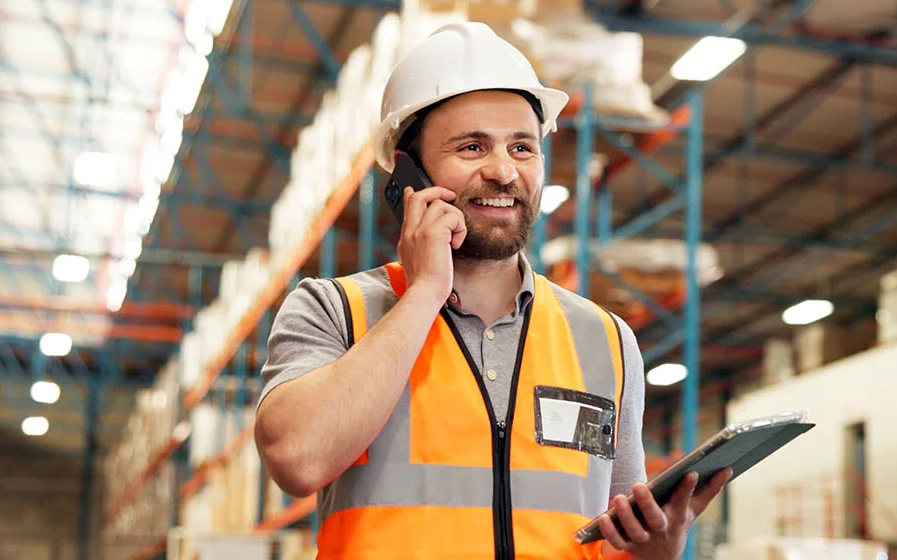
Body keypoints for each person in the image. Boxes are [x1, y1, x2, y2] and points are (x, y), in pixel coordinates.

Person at [254, 21, 730, 560]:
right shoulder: (334, 310)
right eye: (472, 146)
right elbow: (296, 459)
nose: (503, 171)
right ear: (408, 173)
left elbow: (618, 538)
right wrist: (425, 292)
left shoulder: (606, 340)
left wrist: (656, 552)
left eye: (522, 147)